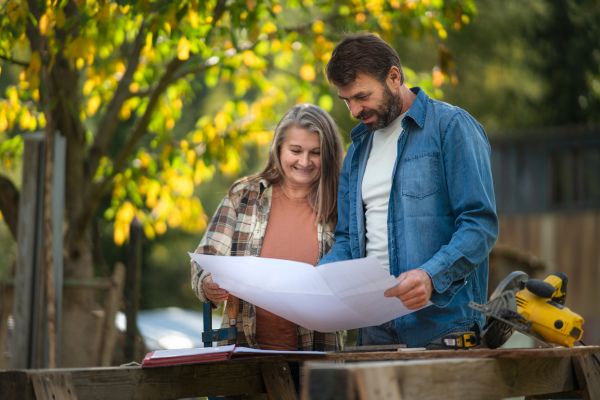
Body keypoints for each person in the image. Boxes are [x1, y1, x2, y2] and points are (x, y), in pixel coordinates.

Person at [318, 32, 499, 349]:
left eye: (361, 96)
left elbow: (479, 225)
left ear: (393, 76)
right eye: (346, 100)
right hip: (373, 331)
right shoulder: (358, 151)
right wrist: (316, 280)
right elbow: (348, 240)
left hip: (443, 328)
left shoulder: (451, 126)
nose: (354, 110)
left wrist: (430, 276)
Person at [191, 104, 346, 388]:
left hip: (317, 362)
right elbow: (205, 258)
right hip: (245, 356)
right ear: (279, 149)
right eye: (295, 150)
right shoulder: (245, 196)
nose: (305, 161)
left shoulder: (341, 204)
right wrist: (208, 282)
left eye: (315, 152)